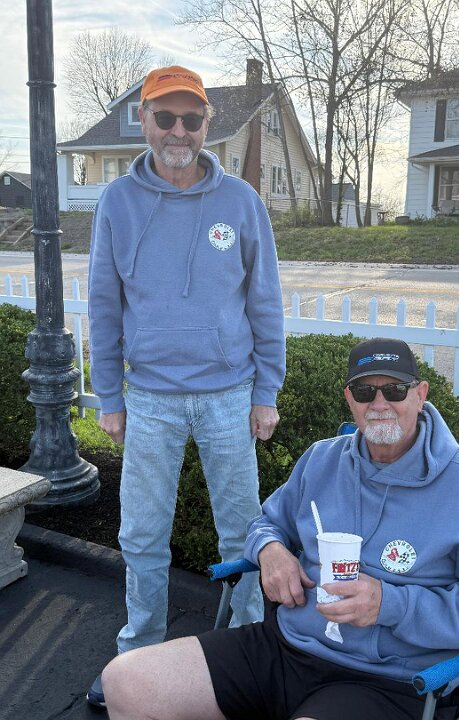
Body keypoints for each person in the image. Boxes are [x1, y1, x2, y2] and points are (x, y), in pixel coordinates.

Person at [100, 338, 459, 720]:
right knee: (127, 682)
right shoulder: (322, 460)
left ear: (420, 394)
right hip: (285, 647)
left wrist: (391, 605)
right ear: (350, 399)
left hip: (387, 679)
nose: (379, 403)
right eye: (365, 391)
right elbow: (265, 523)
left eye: (395, 390)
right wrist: (269, 551)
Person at [86, 65, 285, 707]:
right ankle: (138, 654)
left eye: (191, 119)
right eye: (166, 117)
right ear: (144, 120)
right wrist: (110, 396)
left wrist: (266, 391)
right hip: (149, 398)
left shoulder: (241, 202)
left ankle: (246, 653)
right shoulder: (118, 202)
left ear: (206, 125)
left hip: (229, 394)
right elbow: (104, 305)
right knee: (142, 534)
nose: (179, 131)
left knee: (243, 535)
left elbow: (265, 300)